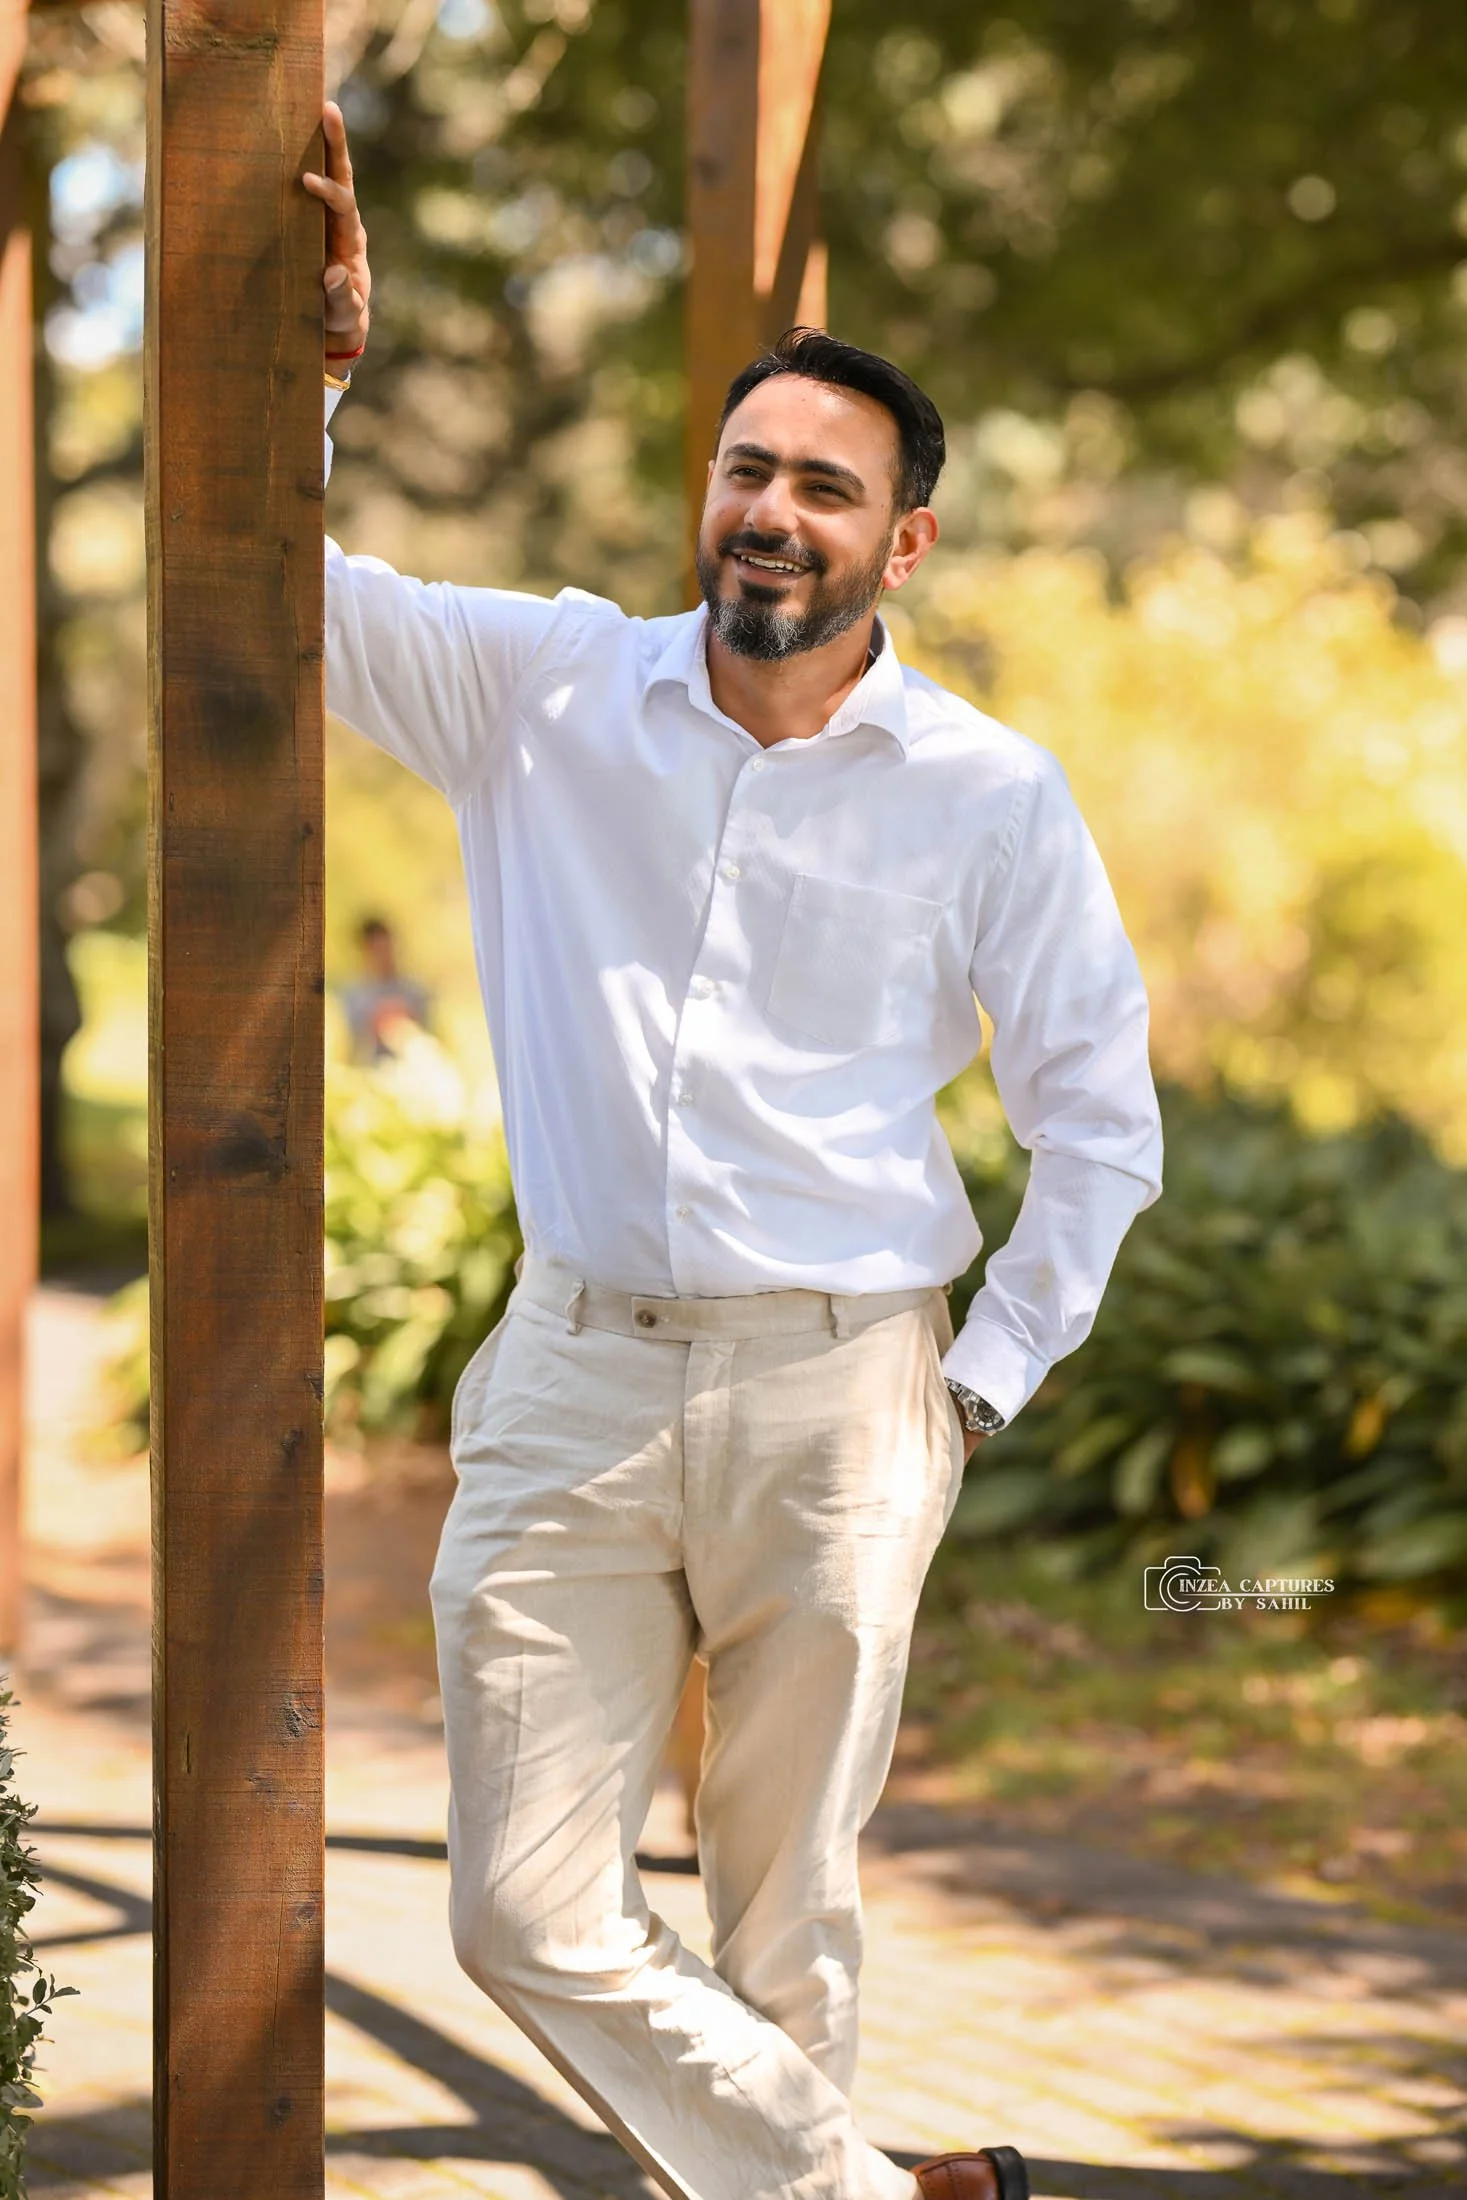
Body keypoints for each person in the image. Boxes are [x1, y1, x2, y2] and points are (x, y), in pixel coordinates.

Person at [307, 96, 1162, 2200]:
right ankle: (881, 2196)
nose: (769, 507)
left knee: (789, 1917)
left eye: (822, 484)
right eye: (745, 466)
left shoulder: (986, 792)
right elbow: (274, 587)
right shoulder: (543, 695)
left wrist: (968, 1389)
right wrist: (304, 385)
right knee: (520, 1903)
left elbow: (1098, 1125)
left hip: (847, 1378)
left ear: (904, 538)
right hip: (578, 1368)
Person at [340, 914, 431, 1062]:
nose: (383, 954)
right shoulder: (354, 996)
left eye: (385, 946)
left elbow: (427, 1032)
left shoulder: (415, 991)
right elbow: (354, 1044)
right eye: (376, 948)